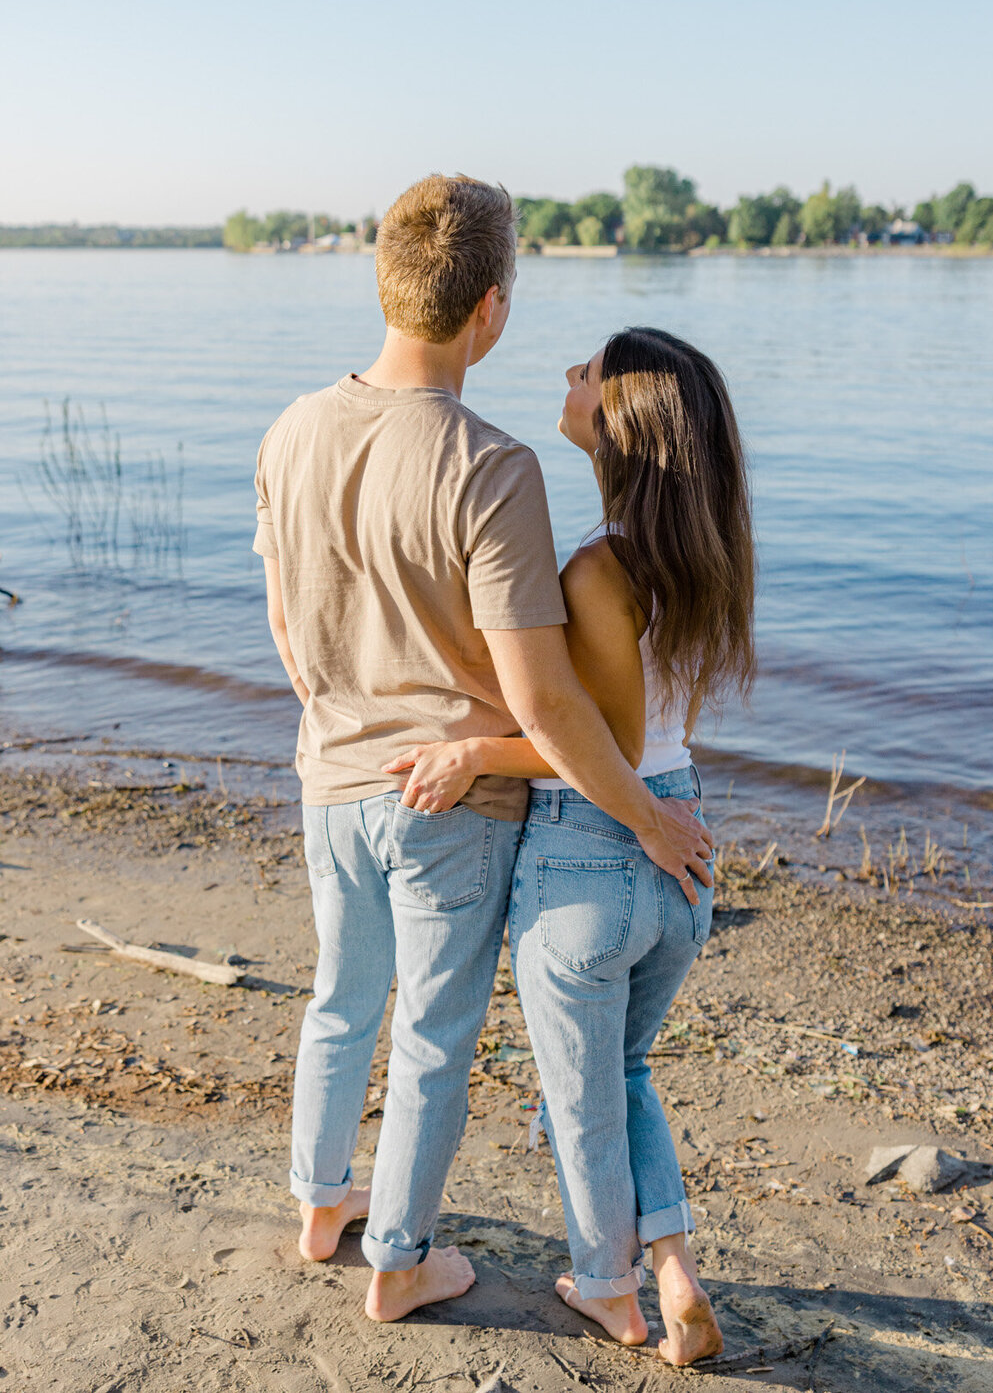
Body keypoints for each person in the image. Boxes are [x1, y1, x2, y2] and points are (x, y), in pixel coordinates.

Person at [254, 179, 714, 1324]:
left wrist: (334, 714)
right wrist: (650, 817)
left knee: (337, 1001)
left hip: (329, 774)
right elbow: (548, 703)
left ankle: (321, 1205)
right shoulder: (494, 465)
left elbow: (282, 621)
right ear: (491, 311)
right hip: (448, 805)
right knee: (433, 1035)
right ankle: (398, 1258)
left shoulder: (292, 428)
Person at [384, 326, 755, 1363]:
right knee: (621, 1076)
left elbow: (603, 748)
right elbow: (639, 743)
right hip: (675, 844)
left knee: (585, 1097)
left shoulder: (601, 566)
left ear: (622, 420)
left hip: (604, 844)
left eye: (587, 372)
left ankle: (610, 1288)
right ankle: (674, 1273)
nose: (567, 377)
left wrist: (471, 753)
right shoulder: (701, 553)